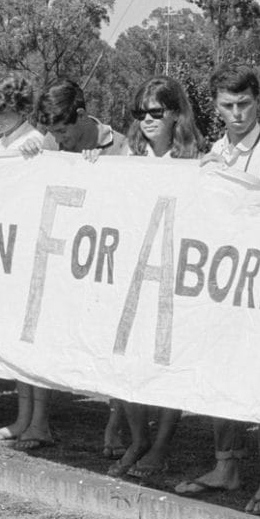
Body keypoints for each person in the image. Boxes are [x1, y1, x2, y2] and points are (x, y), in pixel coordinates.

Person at [176, 67, 260, 514]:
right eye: (227, 105)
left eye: (244, 103)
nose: (237, 113)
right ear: (215, 105)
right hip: (221, 283)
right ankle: (225, 466)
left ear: (257, 100)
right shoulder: (217, 149)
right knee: (220, 373)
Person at [7, 79, 130, 452]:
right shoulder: (49, 144)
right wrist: (31, 156)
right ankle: (38, 423)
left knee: (114, 348)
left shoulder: (121, 145)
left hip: (109, 264)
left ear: (80, 116)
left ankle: (116, 425)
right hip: (60, 260)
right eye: (51, 133)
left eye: (62, 130)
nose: (58, 139)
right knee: (38, 334)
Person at [97, 76, 201, 482]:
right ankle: (139, 439)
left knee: (164, 362)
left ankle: (160, 447)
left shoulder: (194, 160)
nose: (147, 121)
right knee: (123, 361)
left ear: (176, 113)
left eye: (157, 112)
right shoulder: (128, 156)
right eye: (140, 114)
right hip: (131, 271)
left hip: (173, 271)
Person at [0, 72, 55, 449]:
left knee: (34, 341)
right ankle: (24, 418)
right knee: (18, 343)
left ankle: (40, 423)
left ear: (20, 108)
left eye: (0, 111)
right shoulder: (1, 142)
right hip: (7, 251)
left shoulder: (34, 141)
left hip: (32, 252)